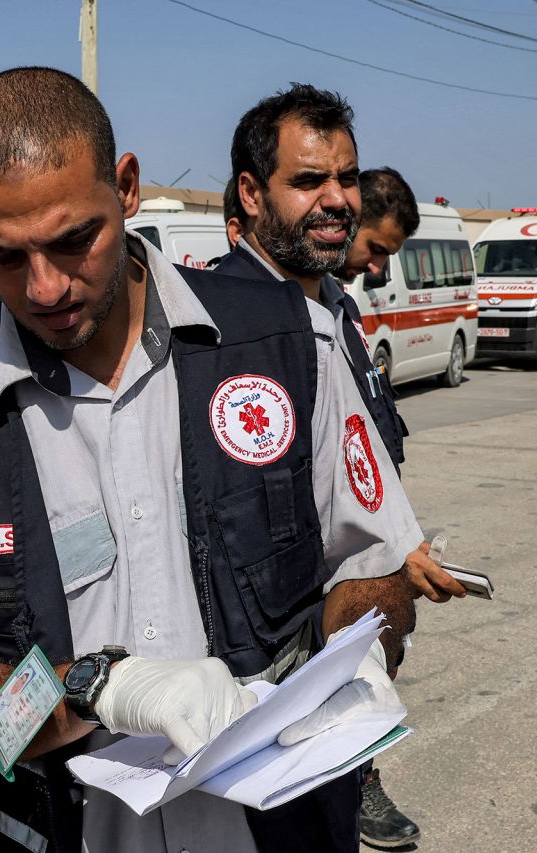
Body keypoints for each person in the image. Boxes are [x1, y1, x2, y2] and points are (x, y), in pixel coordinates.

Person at [0, 67, 423, 853]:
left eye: (71, 239)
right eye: (3, 256)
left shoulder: (294, 343)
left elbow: (378, 563)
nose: (46, 286)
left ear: (126, 189)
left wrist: (363, 646)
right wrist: (94, 691)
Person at [217, 87, 466, 849]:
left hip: (340, 678)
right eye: (308, 181)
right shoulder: (220, 333)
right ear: (253, 195)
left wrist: (396, 551)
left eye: (346, 179)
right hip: (267, 703)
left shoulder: (333, 310)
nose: (336, 201)